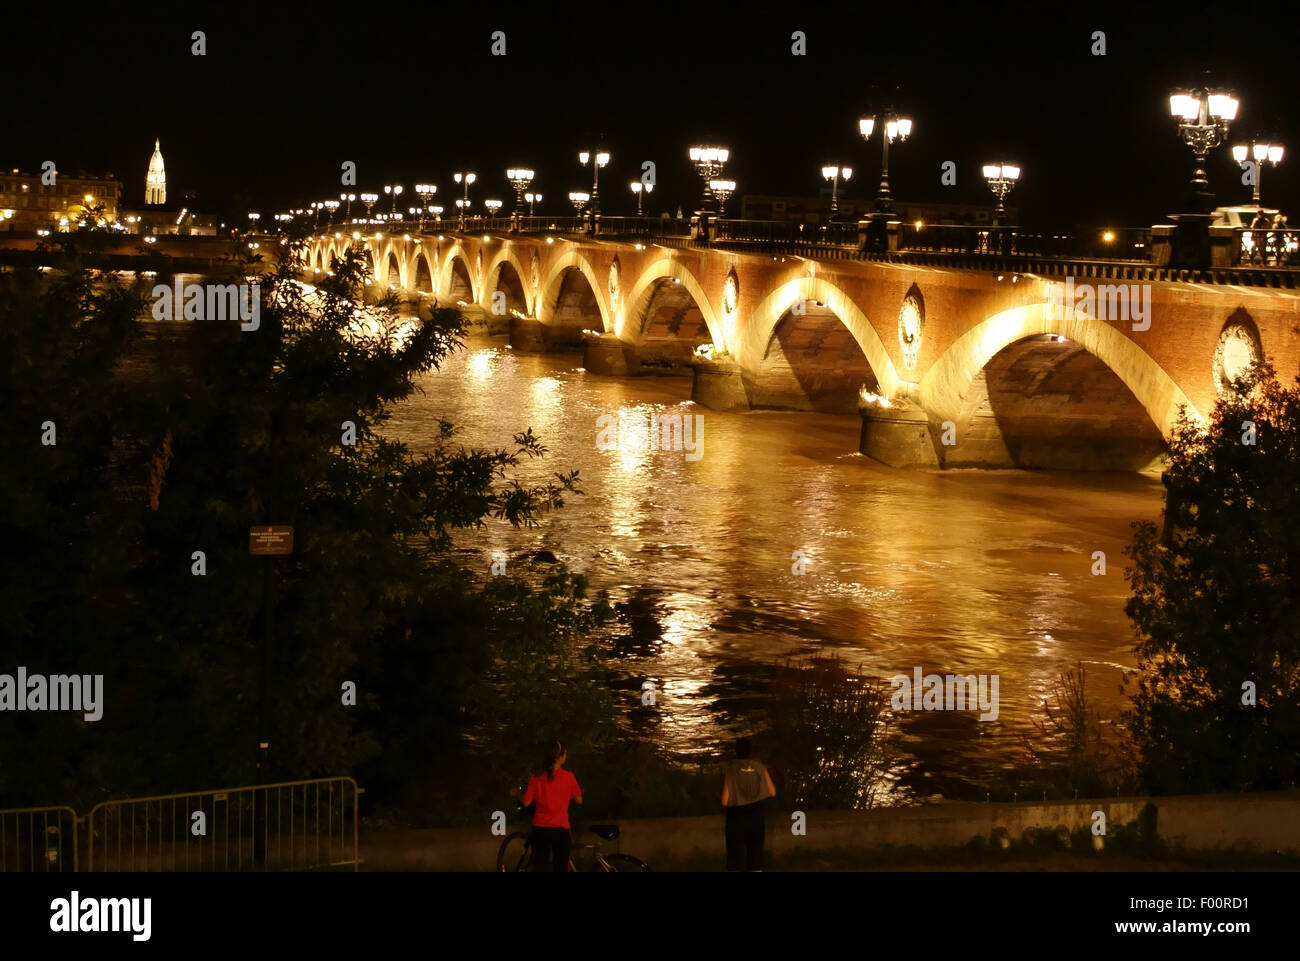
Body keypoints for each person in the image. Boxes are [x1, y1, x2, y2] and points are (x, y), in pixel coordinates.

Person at [520, 739, 582, 872]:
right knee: (560, 867)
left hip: (540, 829)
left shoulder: (536, 777)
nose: (566, 755)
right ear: (560, 757)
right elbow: (579, 800)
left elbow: (526, 802)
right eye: (565, 753)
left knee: (540, 867)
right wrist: (566, 795)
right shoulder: (569, 777)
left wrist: (516, 794)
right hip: (561, 830)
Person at [721, 737, 776, 872]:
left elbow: (724, 800)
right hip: (756, 816)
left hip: (736, 818)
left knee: (735, 859)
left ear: (736, 751)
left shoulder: (732, 769)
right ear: (750, 751)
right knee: (756, 860)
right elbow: (772, 791)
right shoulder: (759, 767)